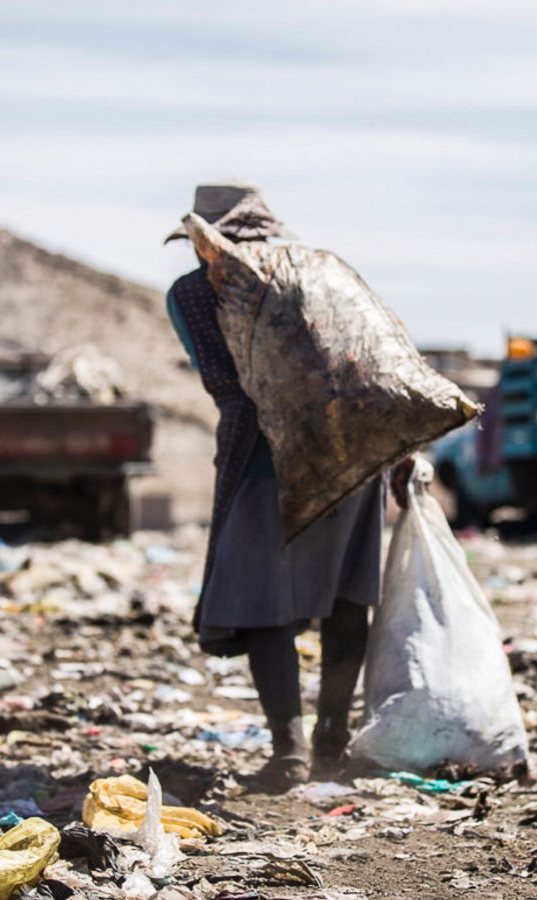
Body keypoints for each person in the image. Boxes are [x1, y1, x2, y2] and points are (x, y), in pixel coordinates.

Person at [165, 183, 413, 791]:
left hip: (263, 465)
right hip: (355, 456)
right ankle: (332, 738)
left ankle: (291, 753)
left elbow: (226, 384)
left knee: (263, 603)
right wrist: (399, 448)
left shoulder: (195, 290)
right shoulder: (323, 274)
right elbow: (379, 359)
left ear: (205, 237)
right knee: (347, 596)